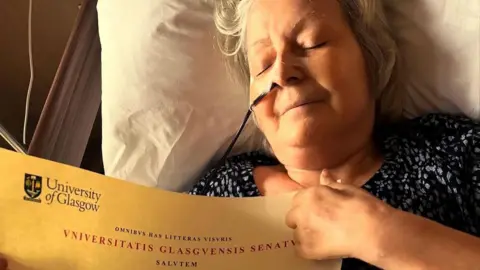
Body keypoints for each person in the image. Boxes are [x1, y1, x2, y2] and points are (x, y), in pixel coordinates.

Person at [189, 0, 480, 269]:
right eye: (263, 63)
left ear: (370, 58)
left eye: (311, 43)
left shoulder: (454, 155)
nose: (280, 73)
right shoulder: (216, 197)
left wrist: (383, 235)